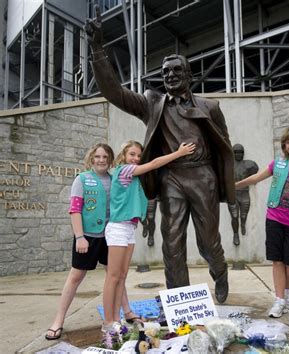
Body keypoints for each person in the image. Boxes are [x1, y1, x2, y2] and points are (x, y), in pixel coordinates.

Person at [85, 7, 235, 304]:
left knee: (208, 241)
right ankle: (181, 300)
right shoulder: (152, 104)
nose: (170, 75)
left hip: (202, 175)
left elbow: (224, 148)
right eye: (165, 71)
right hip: (171, 178)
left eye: (177, 70)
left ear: (189, 75)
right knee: (172, 243)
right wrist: (97, 48)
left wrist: (224, 185)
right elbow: (114, 92)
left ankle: (220, 271)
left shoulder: (210, 106)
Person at [45, 143, 142, 341]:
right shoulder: (82, 179)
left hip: (110, 236)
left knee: (115, 276)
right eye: (97, 156)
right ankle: (58, 320)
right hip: (87, 238)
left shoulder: (116, 178)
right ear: (91, 158)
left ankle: (127, 311)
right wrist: (80, 237)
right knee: (75, 277)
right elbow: (75, 210)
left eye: (105, 157)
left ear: (111, 159)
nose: (101, 160)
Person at [102, 140, 195, 334]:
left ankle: (117, 318)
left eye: (138, 156)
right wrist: (179, 153)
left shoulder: (136, 177)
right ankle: (108, 322)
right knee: (113, 276)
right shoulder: (124, 170)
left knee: (122, 276)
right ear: (124, 156)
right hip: (118, 228)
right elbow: (153, 164)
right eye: (132, 154)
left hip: (129, 229)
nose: (136, 159)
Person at [235, 125, 289, 318]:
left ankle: (285, 290)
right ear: (284, 146)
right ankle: (280, 299)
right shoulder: (277, 164)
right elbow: (256, 177)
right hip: (274, 218)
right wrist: (234, 186)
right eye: (288, 142)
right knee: (277, 260)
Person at [228, 144, 259, 245]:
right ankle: (236, 234)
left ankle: (243, 224)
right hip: (233, 194)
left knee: (243, 215)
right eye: (236, 152)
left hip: (245, 193)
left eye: (240, 152)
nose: (238, 154)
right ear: (233, 153)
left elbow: (256, 171)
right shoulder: (229, 165)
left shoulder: (248, 164)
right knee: (234, 216)